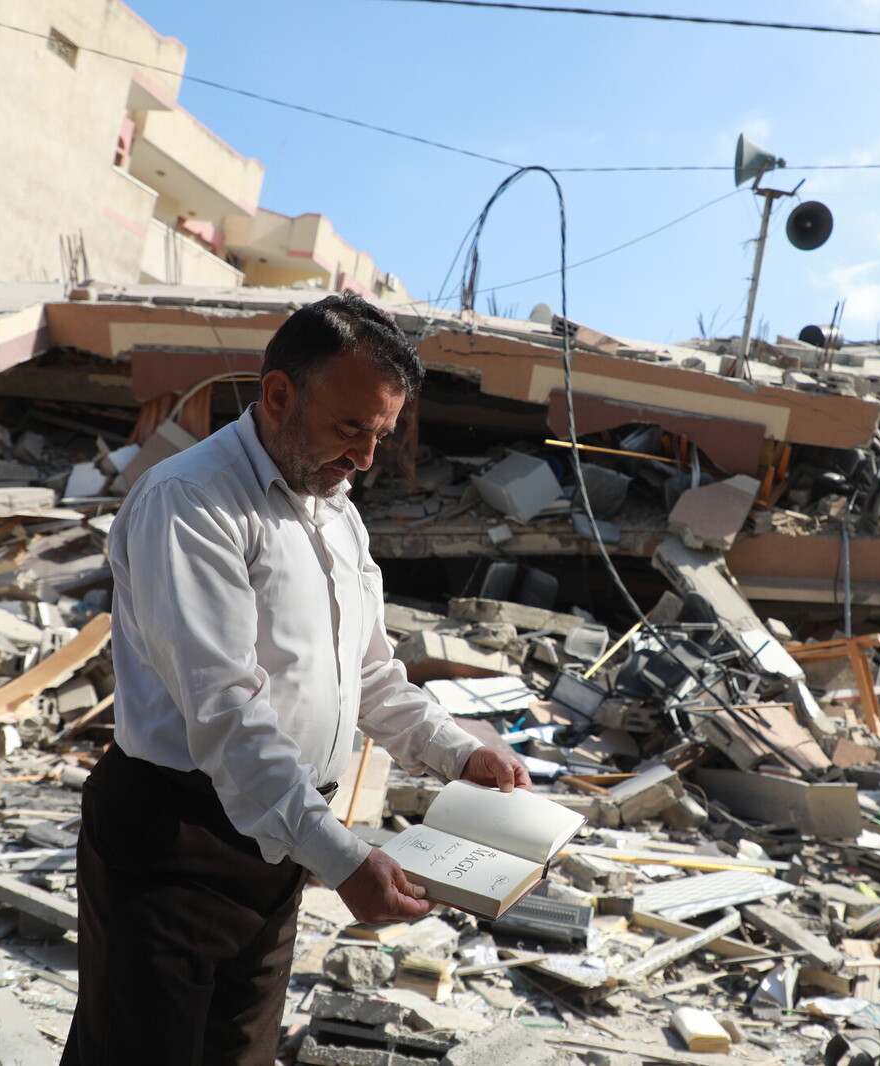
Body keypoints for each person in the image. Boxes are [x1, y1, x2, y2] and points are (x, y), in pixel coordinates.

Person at [61, 294, 531, 1066]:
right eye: (351, 428)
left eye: (381, 435)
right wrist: (343, 859)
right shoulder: (194, 501)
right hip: (175, 841)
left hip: (278, 843)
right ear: (278, 394)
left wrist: (453, 751)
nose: (366, 458)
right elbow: (226, 712)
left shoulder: (337, 514)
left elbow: (370, 671)